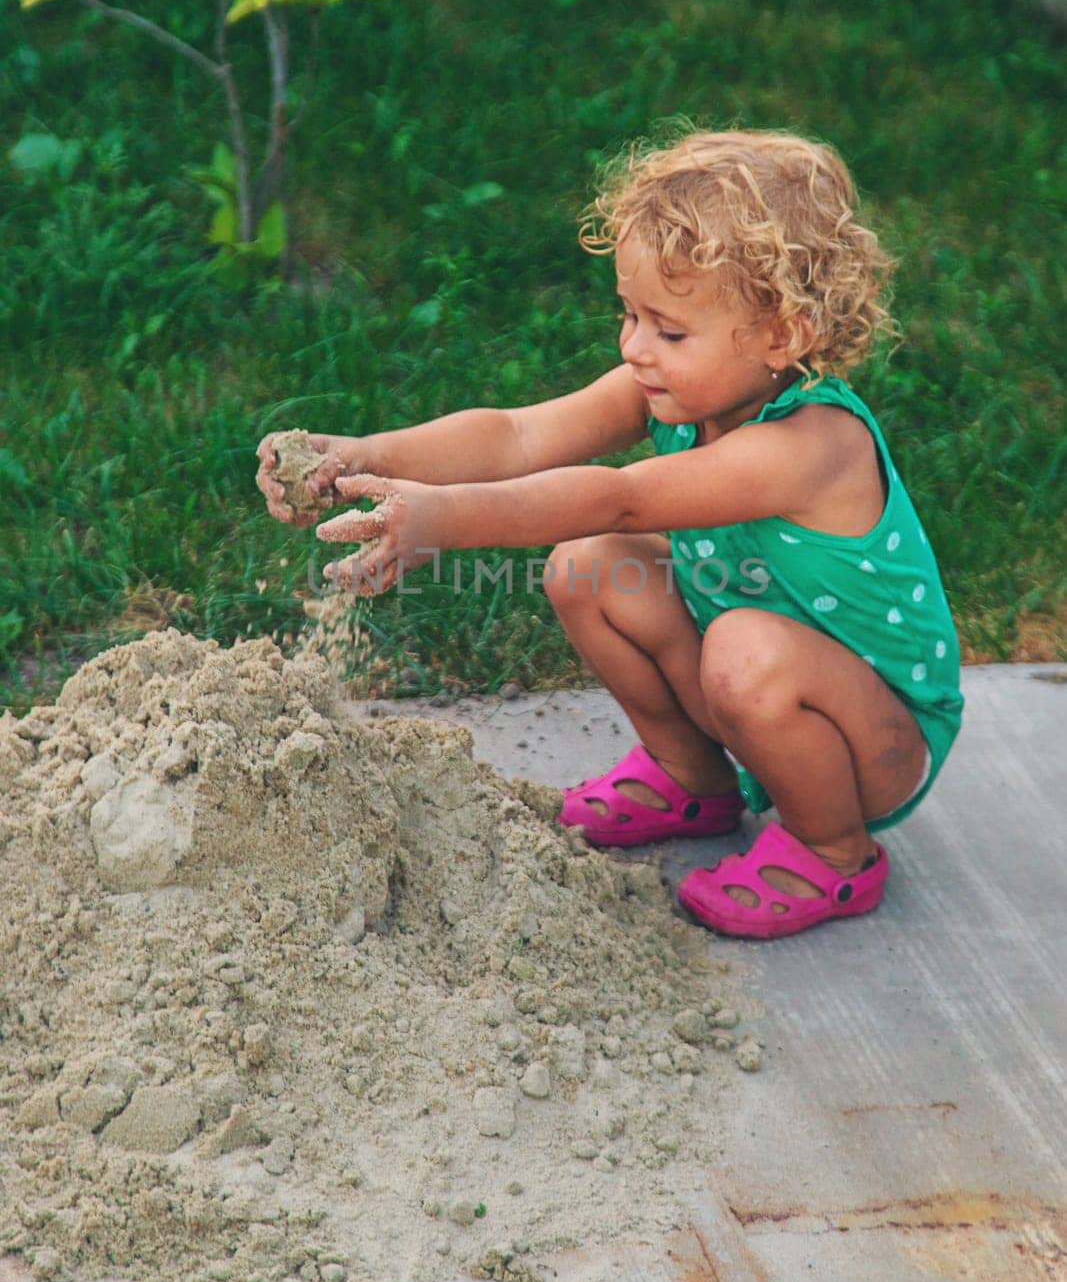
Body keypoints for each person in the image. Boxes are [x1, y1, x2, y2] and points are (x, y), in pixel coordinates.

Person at [256, 127, 963, 940]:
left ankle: (832, 850)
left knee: (735, 642)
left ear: (783, 335)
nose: (634, 349)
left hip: (874, 742)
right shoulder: (676, 390)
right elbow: (517, 436)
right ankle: (693, 779)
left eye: (669, 331)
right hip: (759, 681)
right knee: (588, 569)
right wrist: (361, 457)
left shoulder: (810, 447)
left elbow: (622, 499)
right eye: (630, 315)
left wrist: (448, 519)